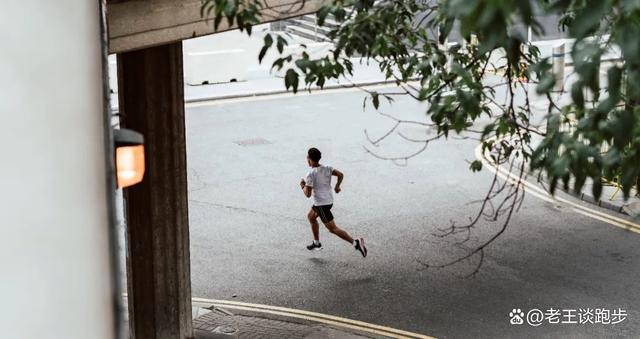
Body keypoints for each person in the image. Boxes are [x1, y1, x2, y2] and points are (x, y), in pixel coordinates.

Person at [299, 147, 367, 257]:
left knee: (333, 229)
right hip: (328, 201)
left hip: (321, 204)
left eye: (307, 157)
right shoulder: (327, 168)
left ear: (309, 158)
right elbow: (340, 174)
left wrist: (302, 185)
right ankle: (317, 243)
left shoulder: (310, 174)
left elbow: (307, 194)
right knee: (311, 217)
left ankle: (356, 243)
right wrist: (337, 186)